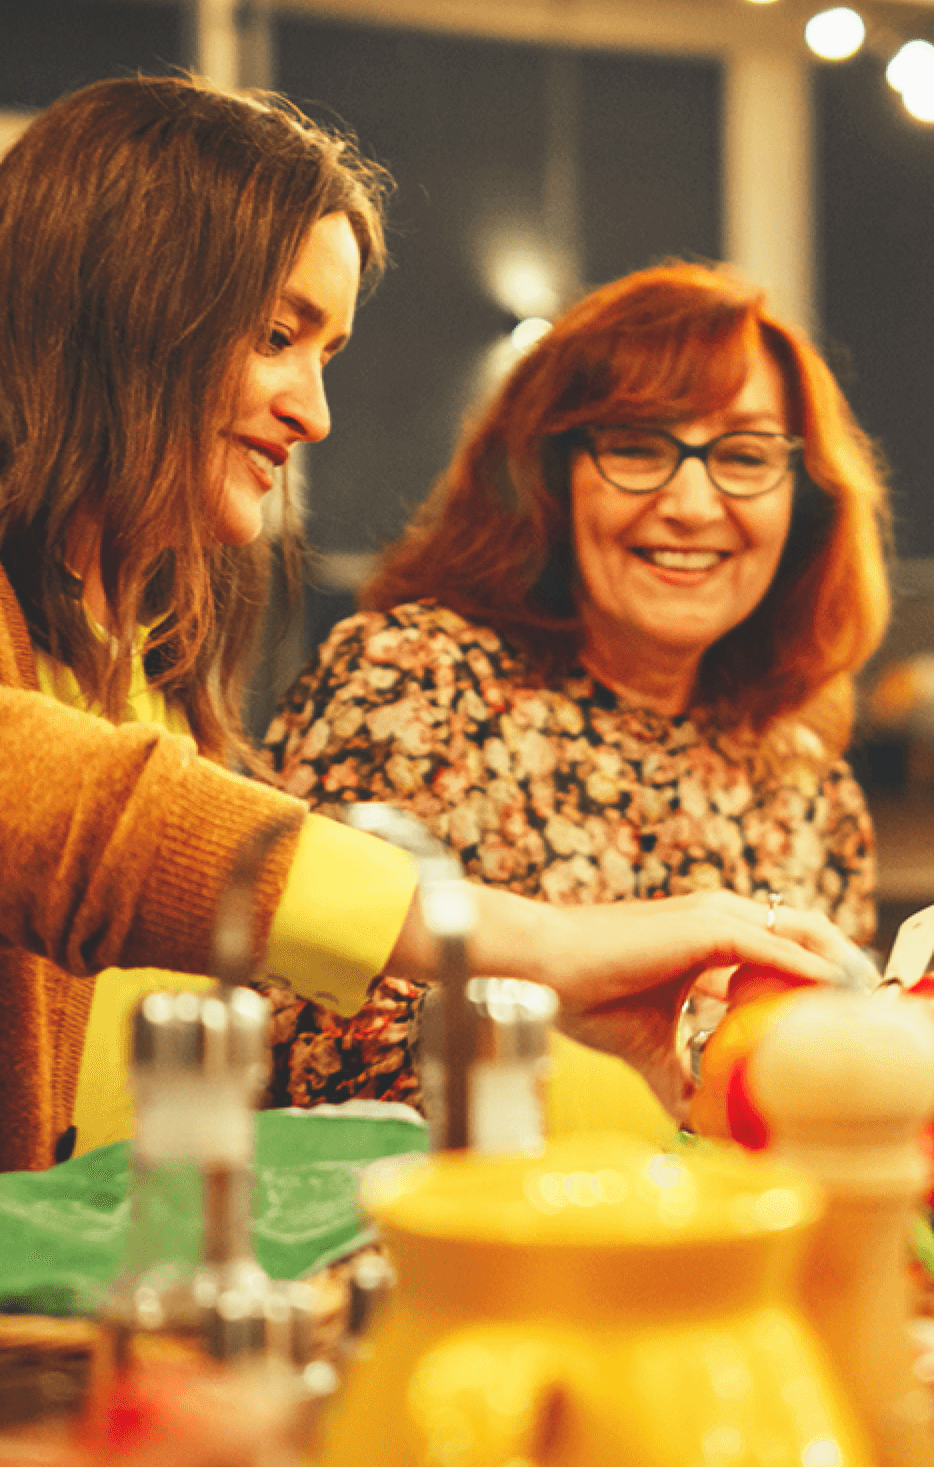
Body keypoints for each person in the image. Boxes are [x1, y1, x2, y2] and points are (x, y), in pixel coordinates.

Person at [0, 83, 844, 1284]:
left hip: (56, 1337)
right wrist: (524, 938)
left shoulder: (139, 632)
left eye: (328, 347)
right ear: (120, 308)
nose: (317, 411)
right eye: (279, 334)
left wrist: (561, 1015)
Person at [259, 262, 891, 1113]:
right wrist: (558, 1020)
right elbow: (289, 1055)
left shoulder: (810, 789)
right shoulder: (412, 686)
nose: (694, 504)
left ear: (802, 504)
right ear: (547, 479)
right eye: (637, 447)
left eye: (743, 455)